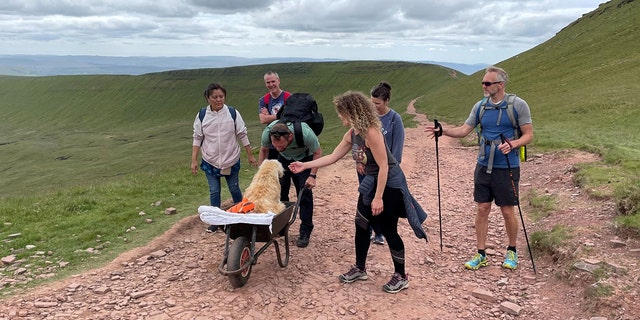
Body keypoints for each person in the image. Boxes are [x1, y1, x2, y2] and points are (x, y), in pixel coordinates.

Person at [289, 91, 427, 294]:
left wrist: (379, 197)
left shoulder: (371, 132)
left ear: (351, 112)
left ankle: (401, 275)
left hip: (389, 184)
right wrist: (304, 165)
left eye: (341, 112)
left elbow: (384, 166)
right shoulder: (353, 133)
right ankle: (360, 268)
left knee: (389, 229)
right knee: (361, 223)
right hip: (372, 183)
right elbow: (333, 156)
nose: (339, 116)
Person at [425, 65, 533, 270]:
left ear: (500, 85)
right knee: (482, 208)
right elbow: (465, 130)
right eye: (483, 82)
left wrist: (513, 144)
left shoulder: (518, 105)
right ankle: (481, 254)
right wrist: (443, 131)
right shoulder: (480, 106)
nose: (483, 86)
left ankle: (512, 251)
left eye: (487, 83)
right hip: (483, 164)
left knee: (507, 211)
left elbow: (528, 134)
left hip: (507, 165)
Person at [192, 83, 258, 233]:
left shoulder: (232, 113)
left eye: (221, 96)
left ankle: (243, 216)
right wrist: (194, 160)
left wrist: (249, 155)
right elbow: (197, 137)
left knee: (234, 188)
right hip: (210, 160)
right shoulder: (202, 115)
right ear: (208, 98)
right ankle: (216, 222)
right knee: (214, 191)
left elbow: (242, 133)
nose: (218, 100)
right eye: (214, 97)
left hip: (231, 159)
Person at [258, 121, 322, 248]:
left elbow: (318, 153)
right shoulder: (267, 133)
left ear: (290, 137)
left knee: (304, 193)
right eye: (275, 146)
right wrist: (261, 173)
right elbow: (264, 150)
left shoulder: (305, 133)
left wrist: (312, 176)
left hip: (305, 158)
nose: (277, 148)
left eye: (281, 145)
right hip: (284, 158)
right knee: (280, 191)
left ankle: (305, 230)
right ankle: (280, 225)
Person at [365, 81, 405, 246]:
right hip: (367, 169)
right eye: (372, 103)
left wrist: (389, 170)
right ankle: (367, 230)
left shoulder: (395, 119)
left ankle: (380, 233)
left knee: (381, 200)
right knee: (366, 200)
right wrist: (359, 162)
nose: (374, 107)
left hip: (385, 169)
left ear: (387, 101)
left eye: (378, 104)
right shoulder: (368, 118)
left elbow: (397, 149)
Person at [258, 71, 294, 201]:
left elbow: (291, 117)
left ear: (278, 81)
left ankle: (284, 201)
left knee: (285, 176)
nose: (271, 84)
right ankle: (274, 200)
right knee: (273, 176)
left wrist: (270, 117)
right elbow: (262, 120)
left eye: (273, 81)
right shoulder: (264, 99)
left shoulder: (288, 97)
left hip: (286, 142)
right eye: (268, 82)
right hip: (271, 143)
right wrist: (280, 116)